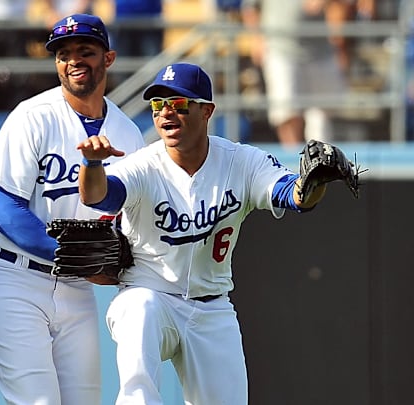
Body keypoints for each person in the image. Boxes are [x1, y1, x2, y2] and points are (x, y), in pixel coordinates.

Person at [76, 63, 340, 404]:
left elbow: (294, 196)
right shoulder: (143, 164)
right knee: (138, 310)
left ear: (207, 111)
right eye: (158, 105)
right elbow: (98, 195)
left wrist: (312, 185)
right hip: (151, 293)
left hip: (211, 305)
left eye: (179, 104)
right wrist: (92, 164)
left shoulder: (240, 161)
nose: (166, 112)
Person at [0, 14, 145, 404]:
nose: (74, 60)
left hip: (76, 288)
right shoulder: (33, 116)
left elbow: (133, 220)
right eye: (64, 54)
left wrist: (113, 263)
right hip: (13, 279)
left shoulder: (128, 133)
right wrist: (71, 255)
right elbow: (4, 206)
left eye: (86, 51)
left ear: (109, 58)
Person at [240, 0, 355, 146]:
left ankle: (320, 163)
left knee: (321, 115)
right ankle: (294, 161)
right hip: (280, 49)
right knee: (287, 113)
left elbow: (345, 7)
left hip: (320, 52)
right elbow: (250, 7)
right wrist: (256, 39)